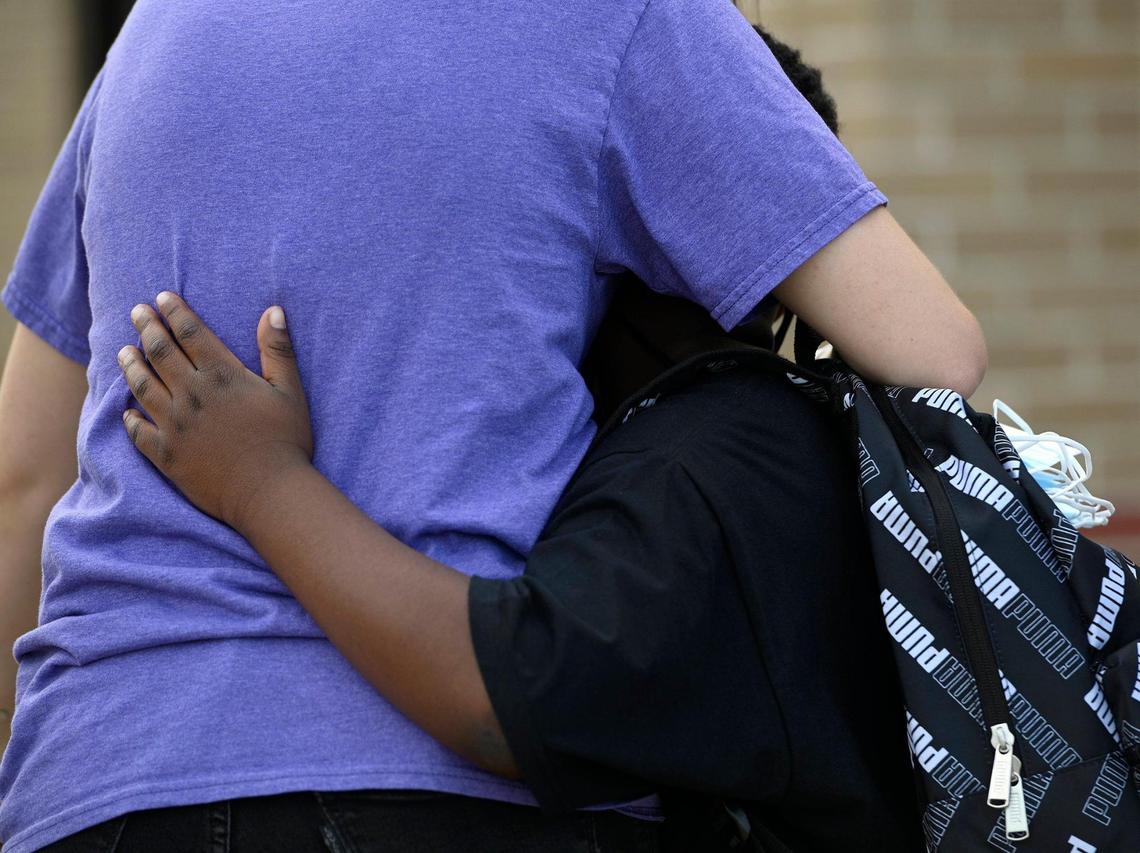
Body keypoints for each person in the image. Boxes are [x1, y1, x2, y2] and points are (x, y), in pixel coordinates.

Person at [0, 3, 984, 852]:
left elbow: (24, 476)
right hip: (456, 776)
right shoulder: (627, 18)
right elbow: (936, 352)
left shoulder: (149, 33)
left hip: (92, 773)